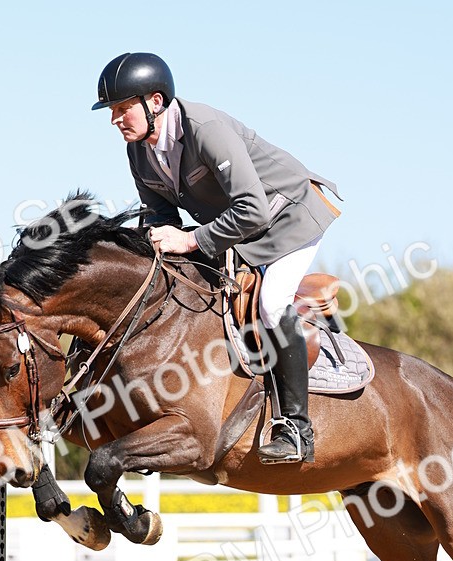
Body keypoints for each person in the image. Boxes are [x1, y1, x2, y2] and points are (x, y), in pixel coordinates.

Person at [92, 51, 342, 464]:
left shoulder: (206, 129)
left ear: (155, 102)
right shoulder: (139, 149)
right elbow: (160, 215)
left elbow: (253, 209)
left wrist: (191, 243)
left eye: (122, 108)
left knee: (270, 302)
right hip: (238, 230)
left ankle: (296, 427)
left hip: (290, 215)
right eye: (111, 111)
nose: (115, 119)